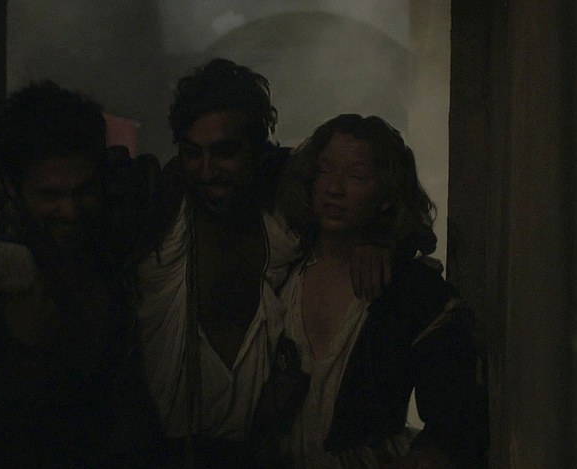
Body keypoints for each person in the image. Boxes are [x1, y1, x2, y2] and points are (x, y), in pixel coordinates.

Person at [134, 59, 392, 467]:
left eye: (225, 152)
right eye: (192, 153)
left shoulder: (285, 214)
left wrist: (378, 237)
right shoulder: (156, 213)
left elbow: (381, 201)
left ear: (257, 149)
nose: (207, 171)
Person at [0, 81, 155, 466]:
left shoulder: (114, 257)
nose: (71, 211)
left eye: (84, 191)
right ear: (15, 190)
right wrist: (24, 350)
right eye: (50, 195)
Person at [270, 114, 488, 468]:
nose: (334, 188)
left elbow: (456, 415)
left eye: (356, 176)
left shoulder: (411, 291)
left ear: (386, 194)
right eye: (324, 170)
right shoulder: (283, 266)